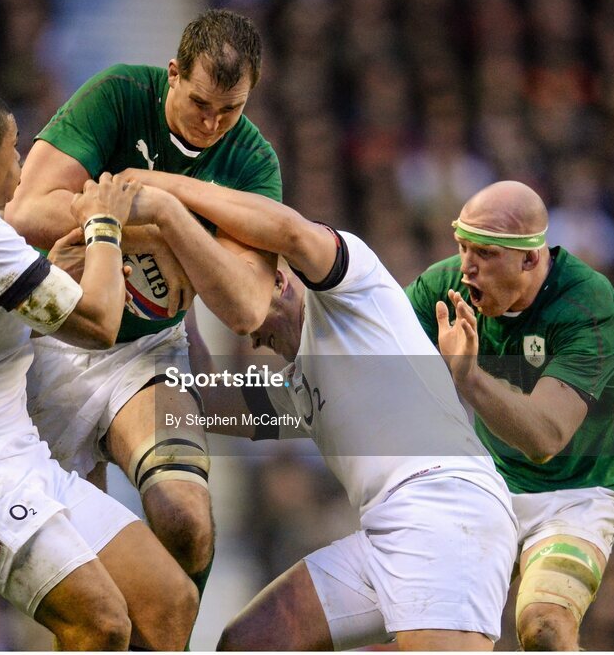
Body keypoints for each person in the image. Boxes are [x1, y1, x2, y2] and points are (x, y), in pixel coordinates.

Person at [130, 185, 519, 650]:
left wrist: (169, 202)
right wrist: (179, 310)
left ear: (276, 283)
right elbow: (210, 403)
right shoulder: (299, 387)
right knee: (250, 643)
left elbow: (290, 232)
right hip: (383, 530)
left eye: (246, 319)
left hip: (444, 503)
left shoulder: (350, 289)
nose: (252, 341)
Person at [0, 87, 197, 651]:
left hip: (15, 455)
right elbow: (101, 323)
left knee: (169, 600)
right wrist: (105, 225)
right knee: (101, 623)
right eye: (14, 149)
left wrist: (52, 271)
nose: (24, 165)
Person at [5, 8, 282, 595]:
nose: (211, 125)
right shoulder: (120, 94)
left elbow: (246, 309)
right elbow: (25, 211)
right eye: (200, 103)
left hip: (147, 353)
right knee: (83, 585)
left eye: (230, 111)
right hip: (53, 341)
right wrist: (155, 237)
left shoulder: (253, 163)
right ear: (174, 72)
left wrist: (165, 213)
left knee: (186, 518)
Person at [405, 180, 614, 650]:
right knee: (425, 628)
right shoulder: (448, 286)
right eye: (463, 247)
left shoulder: (589, 307)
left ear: (530, 258)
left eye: (485, 254)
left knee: (544, 626)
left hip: (575, 496)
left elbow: (545, 437)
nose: (466, 268)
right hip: (489, 488)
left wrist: (468, 378)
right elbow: (369, 349)